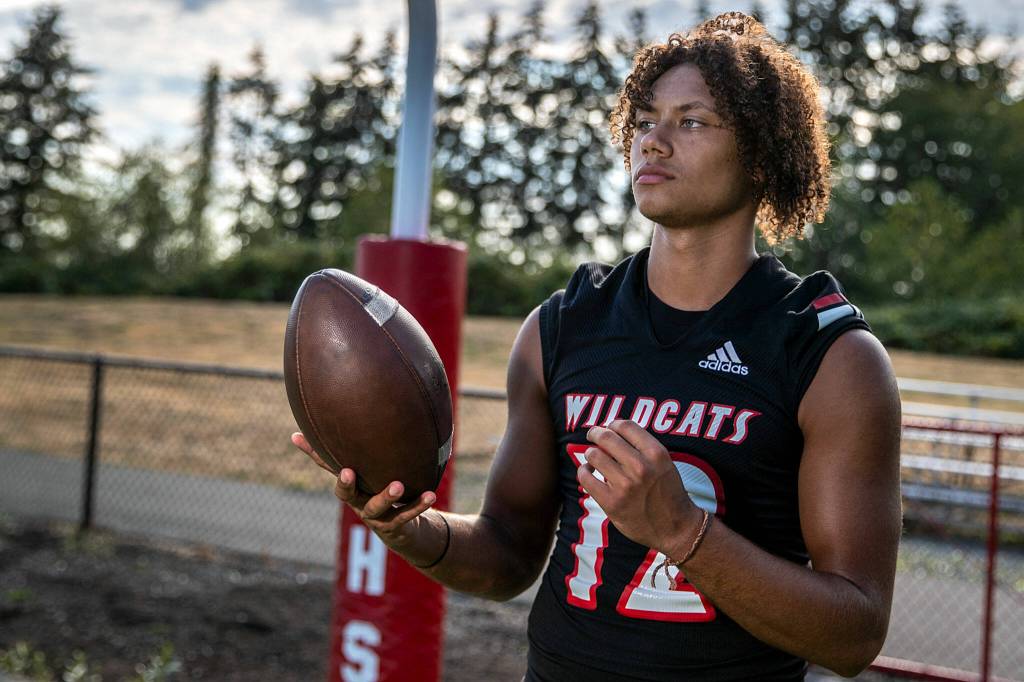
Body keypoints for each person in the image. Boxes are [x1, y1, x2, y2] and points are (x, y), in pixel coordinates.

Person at [293, 12, 901, 681]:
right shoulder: (561, 327)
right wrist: (410, 531)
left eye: (691, 120)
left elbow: (855, 635)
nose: (655, 142)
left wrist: (682, 532)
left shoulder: (828, 354)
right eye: (644, 121)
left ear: (760, 155)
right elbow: (508, 554)